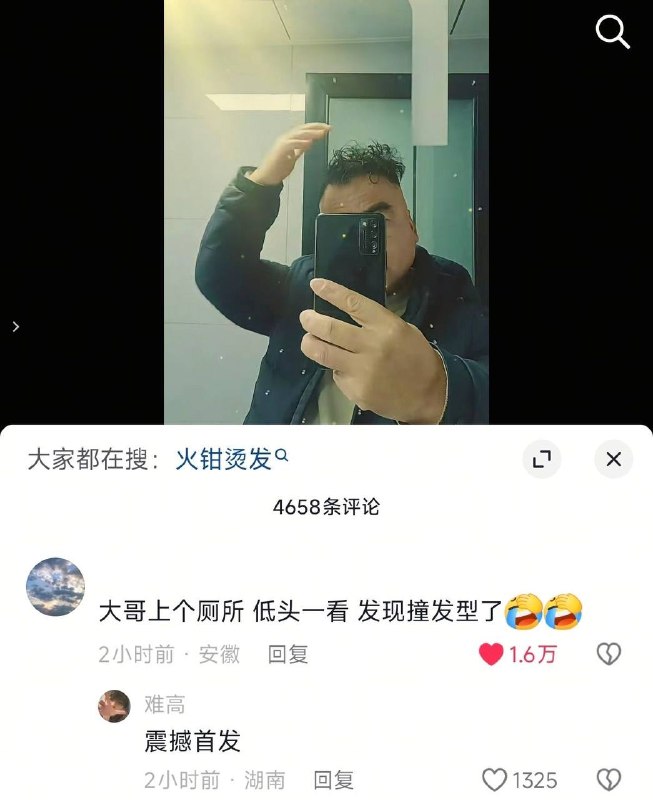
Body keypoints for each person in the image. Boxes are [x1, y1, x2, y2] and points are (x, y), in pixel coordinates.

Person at [195, 123, 488, 424]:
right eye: (342, 228)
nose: (361, 244)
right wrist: (257, 188)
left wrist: (438, 392)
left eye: (376, 223)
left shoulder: (452, 293)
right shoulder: (303, 283)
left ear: (412, 227)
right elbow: (220, 274)